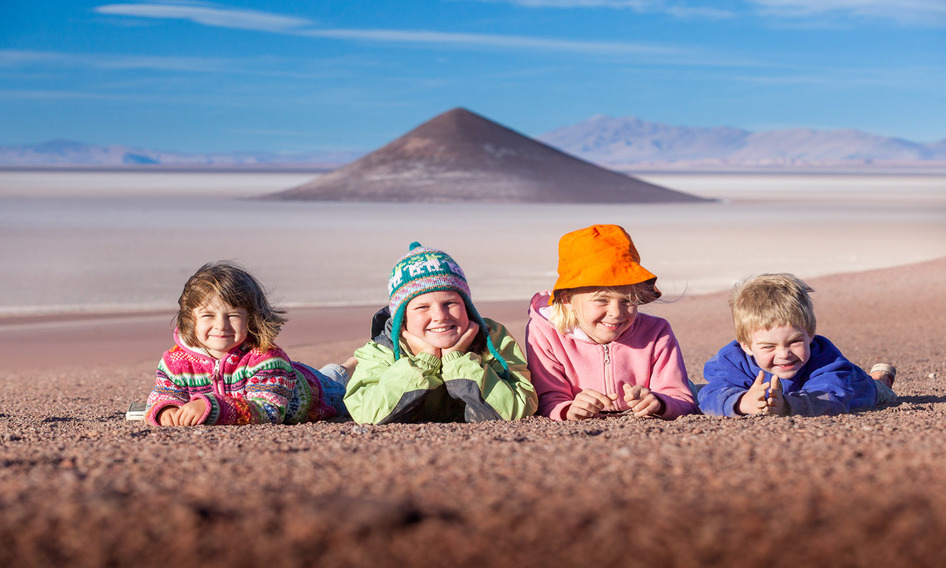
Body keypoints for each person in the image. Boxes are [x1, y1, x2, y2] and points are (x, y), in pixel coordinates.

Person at [343, 242, 538, 424]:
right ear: (402, 318)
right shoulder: (381, 351)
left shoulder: (493, 339)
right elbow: (366, 413)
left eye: (450, 303)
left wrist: (458, 360)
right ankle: (343, 370)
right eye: (422, 307)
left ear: (468, 307)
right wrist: (425, 361)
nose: (440, 316)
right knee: (331, 385)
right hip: (338, 386)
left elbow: (519, 408)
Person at [145, 261, 353, 426]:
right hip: (292, 375)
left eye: (233, 315)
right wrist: (166, 409)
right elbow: (164, 393)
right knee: (331, 373)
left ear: (251, 318)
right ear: (190, 319)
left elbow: (269, 411)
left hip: (318, 394)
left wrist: (211, 407)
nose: (221, 325)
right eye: (208, 315)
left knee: (339, 384)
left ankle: (353, 364)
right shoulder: (175, 361)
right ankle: (347, 366)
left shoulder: (266, 358)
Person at [526, 224, 697, 421]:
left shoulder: (657, 332)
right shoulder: (546, 332)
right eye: (602, 300)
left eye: (628, 300)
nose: (616, 313)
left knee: (696, 392)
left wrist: (659, 402)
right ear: (566, 299)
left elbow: (681, 399)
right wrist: (568, 409)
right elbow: (547, 398)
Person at [698, 273, 897, 417]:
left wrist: (787, 405)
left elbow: (832, 399)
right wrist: (741, 402)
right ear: (747, 346)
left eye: (794, 342)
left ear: (810, 335)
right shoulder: (731, 360)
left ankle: (880, 378)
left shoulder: (826, 360)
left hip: (856, 385)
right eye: (769, 347)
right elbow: (710, 395)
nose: (784, 354)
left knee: (880, 391)